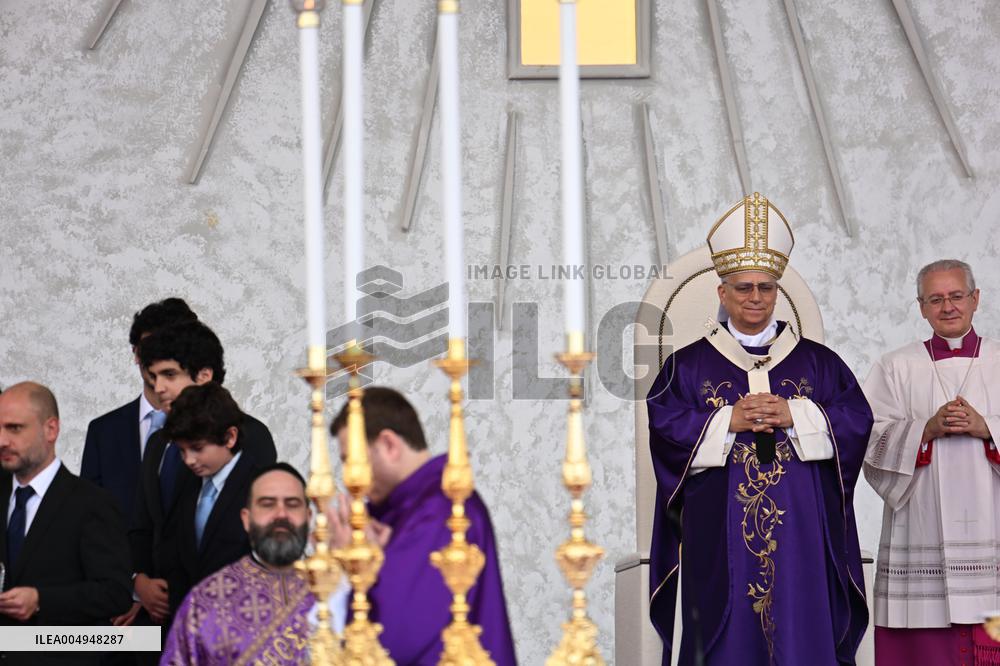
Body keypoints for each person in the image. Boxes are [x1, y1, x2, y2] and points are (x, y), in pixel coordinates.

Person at [646, 193, 873, 665]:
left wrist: (798, 415)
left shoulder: (819, 362)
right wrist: (727, 419)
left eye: (765, 288)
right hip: (718, 538)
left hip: (803, 539)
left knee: (801, 628)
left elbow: (856, 420)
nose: (755, 298)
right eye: (744, 287)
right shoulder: (685, 367)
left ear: (777, 291)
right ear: (722, 293)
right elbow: (664, 425)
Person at [863, 259, 1000, 665]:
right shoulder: (896, 366)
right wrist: (924, 430)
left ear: (975, 299)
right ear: (921, 307)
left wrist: (987, 428)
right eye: (935, 299)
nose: (948, 307)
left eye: (956, 296)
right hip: (921, 526)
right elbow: (868, 437)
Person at [328, 387, 517, 666]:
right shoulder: (406, 510)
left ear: (389, 445)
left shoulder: (443, 511)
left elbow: (394, 640)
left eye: (351, 461)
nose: (349, 478)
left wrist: (354, 572)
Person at [128, 320, 275, 636]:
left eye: (169, 375)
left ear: (204, 376)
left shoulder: (251, 438)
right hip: (157, 619)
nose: (158, 388)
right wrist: (139, 582)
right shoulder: (158, 443)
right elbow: (144, 524)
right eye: (153, 377)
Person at [0, 382, 132, 665]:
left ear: (51, 429)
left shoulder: (91, 504)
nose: (2, 440)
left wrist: (40, 600)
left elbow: (115, 593)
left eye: (15, 428)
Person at [162, 463, 347, 665]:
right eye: (268, 504)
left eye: (292, 504)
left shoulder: (337, 590)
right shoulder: (204, 601)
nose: (281, 514)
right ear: (246, 519)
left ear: (308, 517)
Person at [81, 298, 199, 523]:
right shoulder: (103, 432)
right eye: (150, 348)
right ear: (136, 353)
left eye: (170, 348)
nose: (158, 359)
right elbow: (89, 518)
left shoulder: (228, 429)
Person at [158, 382, 264, 619]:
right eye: (182, 451)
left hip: (241, 629)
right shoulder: (186, 482)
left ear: (230, 437)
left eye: (197, 448)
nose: (189, 460)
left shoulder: (262, 489)